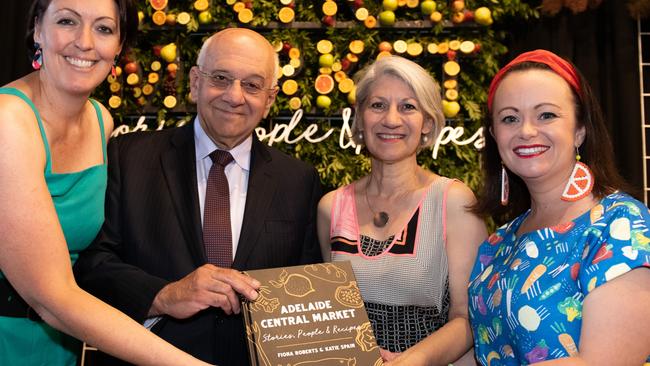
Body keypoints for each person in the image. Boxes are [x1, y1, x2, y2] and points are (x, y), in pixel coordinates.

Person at [73, 27, 323, 366]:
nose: (234, 96)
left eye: (252, 84)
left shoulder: (299, 181)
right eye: (221, 78)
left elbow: (305, 293)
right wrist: (165, 295)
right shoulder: (127, 158)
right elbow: (91, 264)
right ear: (194, 83)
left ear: (269, 99)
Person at [0, 0, 214, 365]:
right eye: (67, 21)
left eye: (103, 28)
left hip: (59, 344)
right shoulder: (9, 122)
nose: (84, 42)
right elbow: (51, 296)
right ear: (38, 29)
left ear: (118, 46)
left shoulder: (101, 120)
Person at [468, 49, 650, 365]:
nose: (526, 131)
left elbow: (603, 362)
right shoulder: (497, 244)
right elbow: (486, 352)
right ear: (495, 136)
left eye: (546, 115)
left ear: (580, 130)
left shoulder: (620, 225)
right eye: (509, 118)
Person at [316, 55, 487, 365]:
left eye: (408, 106)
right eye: (378, 105)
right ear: (360, 119)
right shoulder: (331, 207)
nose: (391, 120)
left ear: (428, 123)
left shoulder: (452, 201)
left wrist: (410, 361)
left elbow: (467, 317)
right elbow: (330, 319)